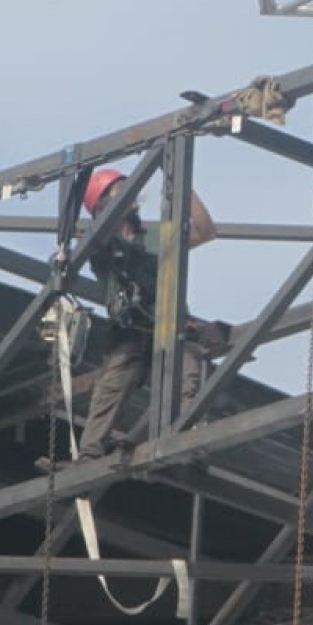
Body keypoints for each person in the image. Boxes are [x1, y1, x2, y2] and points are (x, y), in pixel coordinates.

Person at [74, 168, 226, 460]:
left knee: (186, 381)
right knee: (110, 389)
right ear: (103, 205)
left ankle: (186, 442)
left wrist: (182, 185)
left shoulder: (157, 236)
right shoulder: (99, 244)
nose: (131, 195)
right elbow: (94, 244)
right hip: (131, 332)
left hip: (172, 327)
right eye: (121, 190)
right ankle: (89, 455)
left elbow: (205, 231)